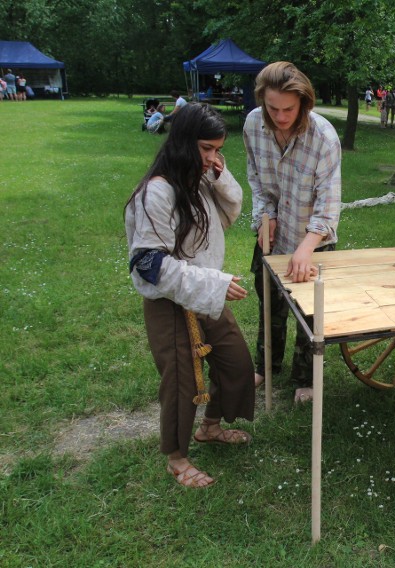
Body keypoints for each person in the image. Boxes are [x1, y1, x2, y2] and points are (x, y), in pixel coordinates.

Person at [125, 103, 256, 488]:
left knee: (236, 362)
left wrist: (219, 177)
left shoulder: (196, 180)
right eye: (206, 149)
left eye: (218, 150)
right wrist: (211, 285)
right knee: (181, 382)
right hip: (169, 301)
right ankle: (177, 459)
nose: (213, 158)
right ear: (183, 142)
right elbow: (149, 262)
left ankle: (210, 427)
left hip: (203, 291)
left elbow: (228, 217)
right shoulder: (157, 192)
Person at [243, 61, 342, 404]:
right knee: (269, 305)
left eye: (288, 109)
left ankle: (306, 377)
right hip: (272, 234)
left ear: (303, 103)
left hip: (312, 240)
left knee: (307, 313)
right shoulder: (253, 124)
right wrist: (263, 216)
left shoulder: (324, 137)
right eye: (273, 108)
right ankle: (265, 365)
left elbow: (328, 205)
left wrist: (307, 248)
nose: (280, 116)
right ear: (262, 101)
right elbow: (256, 178)